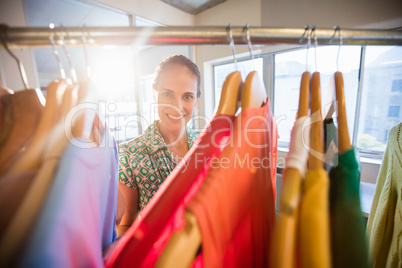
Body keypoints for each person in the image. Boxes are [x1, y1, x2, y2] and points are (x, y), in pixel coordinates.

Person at [116, 55, 201, 237]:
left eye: (187, 96)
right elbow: (124, 227)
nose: (177, 106)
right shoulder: (130, 154)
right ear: (154, 94)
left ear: (196, 101)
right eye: (167, 94)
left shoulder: (207, 146)